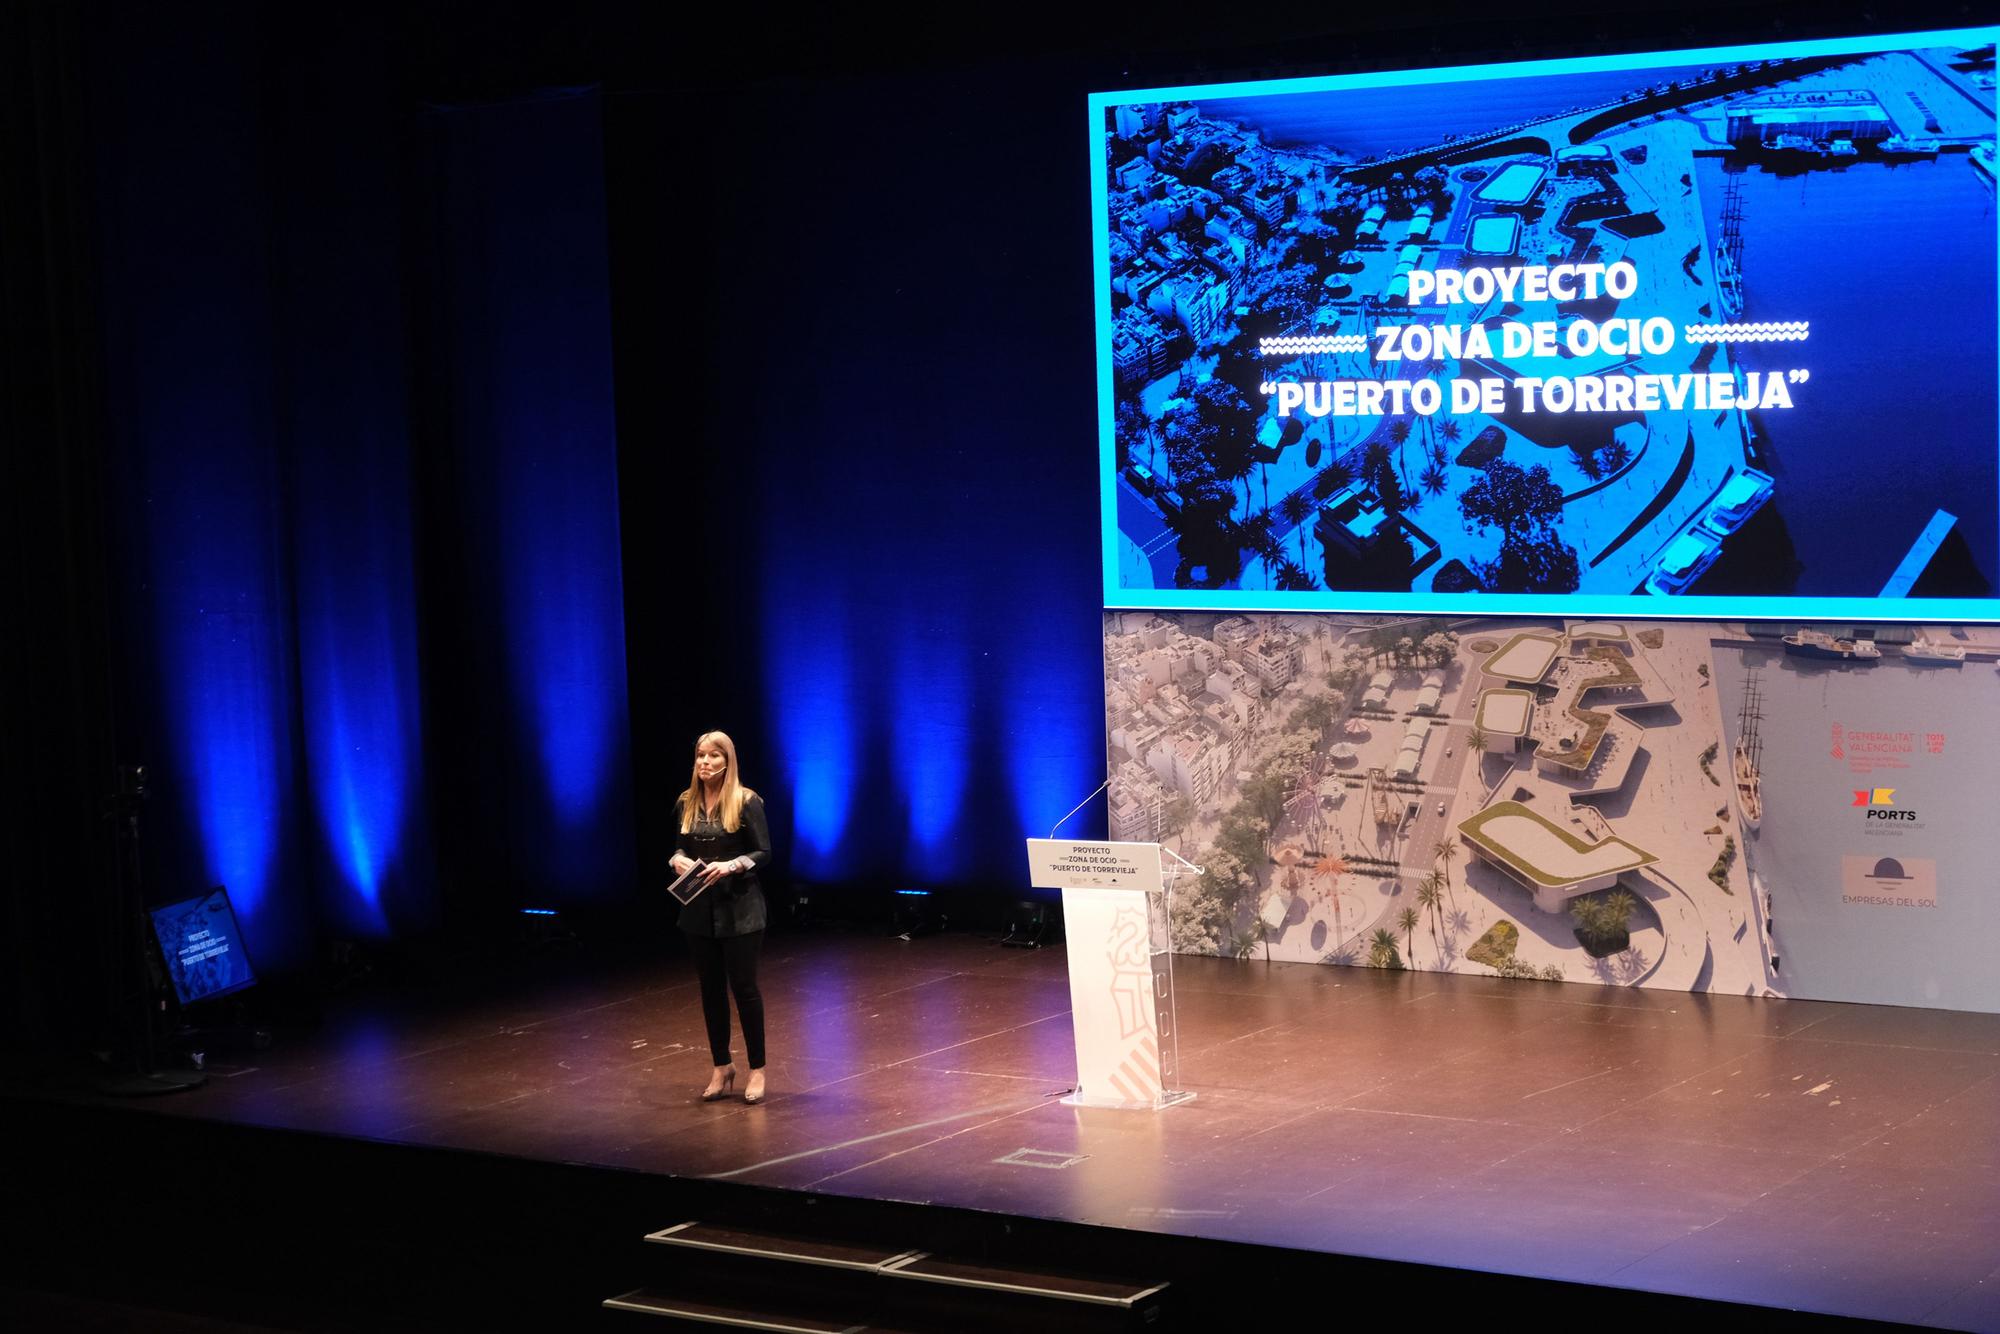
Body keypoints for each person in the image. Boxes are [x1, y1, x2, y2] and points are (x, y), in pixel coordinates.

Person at [669, 731, 773, 1105]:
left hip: (740, 910)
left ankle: (757, 1070)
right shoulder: (686, 802)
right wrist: (676, 858)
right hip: (698, 910)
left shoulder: (746, 801)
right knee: (710, 990)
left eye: (713, 756)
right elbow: (680, 846)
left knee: (744, 989)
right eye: (700, 756)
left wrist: (733, 865)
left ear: (727, 761)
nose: (705, 762)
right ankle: (721, 1066)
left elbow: (764, 852)